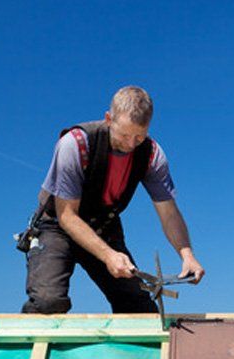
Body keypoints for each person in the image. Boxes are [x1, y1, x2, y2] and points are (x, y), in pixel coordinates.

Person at [21, 86, 205, 313]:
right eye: (125, 135)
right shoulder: (75, 144)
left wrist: (187, 255)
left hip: (105, 227)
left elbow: (168, 212)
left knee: (140, 310)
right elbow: (67, 216)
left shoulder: (152, 155)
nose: (131, 144)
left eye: (140, 136)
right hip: (57, 226)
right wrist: (108, 255)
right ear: (109, 119)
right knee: (48, 303)